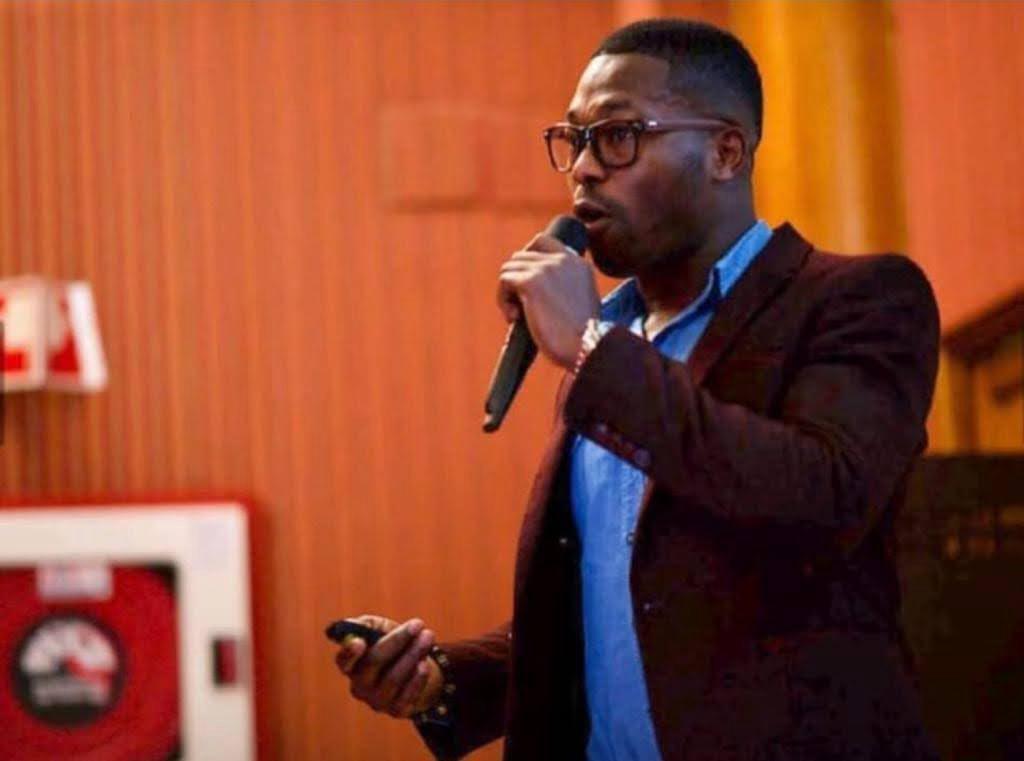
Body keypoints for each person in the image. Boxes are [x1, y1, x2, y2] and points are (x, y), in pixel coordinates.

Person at [333, 18, 940, 761]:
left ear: (725, 151)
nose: (585, 168)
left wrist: (591, 348)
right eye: (575, 139)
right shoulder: (620, 345)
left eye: (618, 135)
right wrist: (443, 678)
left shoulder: (857, 299)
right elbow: (626, 604)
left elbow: (824, 497)